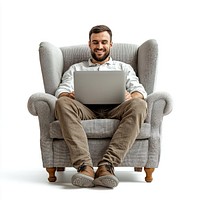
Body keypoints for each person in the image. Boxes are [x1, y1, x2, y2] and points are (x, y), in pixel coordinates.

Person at [55, 25, 147, 188]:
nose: (99, 46)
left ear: (111, 44)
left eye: (104, 42)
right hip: (86, 110)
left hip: (116, 110)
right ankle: (85, 167)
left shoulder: (123, 67)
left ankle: (106, 167)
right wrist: (69, 95)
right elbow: (61, 91)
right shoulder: (76, 68)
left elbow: (140, 91)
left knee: (139, 104)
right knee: (62, 103)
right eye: (95, 42)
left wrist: (131, 96)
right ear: (89, 44)